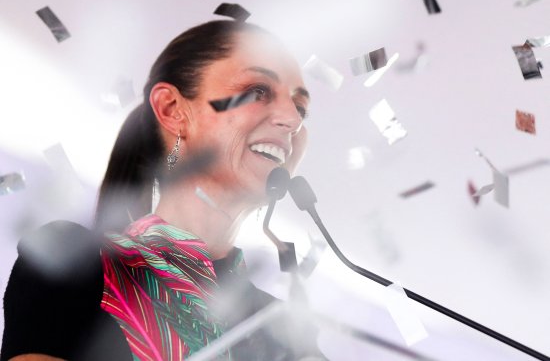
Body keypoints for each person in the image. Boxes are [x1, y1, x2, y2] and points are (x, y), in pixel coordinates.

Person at [1, 19, 324, 360]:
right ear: (172, 110)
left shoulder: (282, 326)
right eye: (258, 91)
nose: (293, 118)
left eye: (300, 107)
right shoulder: (72, 260)